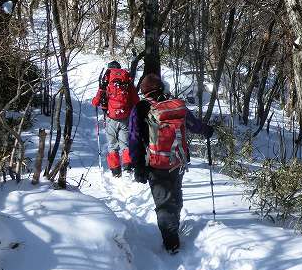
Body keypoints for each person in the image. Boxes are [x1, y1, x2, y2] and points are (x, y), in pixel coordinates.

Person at [128, 73, 214, 254]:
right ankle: (174, 224)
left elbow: (134, 138)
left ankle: (171, 243)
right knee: (175, 195)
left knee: (163, 202)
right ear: (161, 88)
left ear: (144, 92)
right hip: (178, 161)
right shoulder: (176, 105)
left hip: (155, 164)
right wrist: (207, 130)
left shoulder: (140, 108)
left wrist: (138, 165)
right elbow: (194, 125)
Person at [91, 61, 139, 177]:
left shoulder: (106, 81)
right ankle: (128, 167)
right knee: (125, 143)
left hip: (110, 117)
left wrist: (96, 100)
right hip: (125, 117)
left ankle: (116, 171)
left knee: (112, 145)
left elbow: (96, 102)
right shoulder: (126, 80)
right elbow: (136, 100)